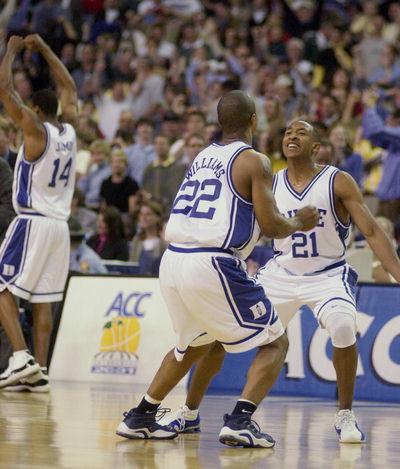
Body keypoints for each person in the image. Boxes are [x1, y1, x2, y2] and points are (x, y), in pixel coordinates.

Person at [161, 119, 400, 444]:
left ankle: (345, 413)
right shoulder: (269, 182)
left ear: (316, 147)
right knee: (215, 336)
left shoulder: (337, 180)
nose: (292, 136)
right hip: (279, 273)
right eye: (288, 132)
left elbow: (371, 231)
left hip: (328, 273)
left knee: (344, 327)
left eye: (301, 132)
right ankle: (189, 413)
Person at [116, 91, 319, 446]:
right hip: (212, 262)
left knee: (194, 345)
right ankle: (240, 421)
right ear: (254, 120)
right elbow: (272, 226)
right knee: (276, 342)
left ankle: (141, 416)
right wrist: (300, 221)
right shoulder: (255, 161)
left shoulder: (202, 155)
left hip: (173, 259)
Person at [0, 34, 78, 391]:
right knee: (43, 300)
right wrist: (45, 48)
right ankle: (40, 370)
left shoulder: (34, 129)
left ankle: (20, 357)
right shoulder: (70, 130)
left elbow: (4, 89)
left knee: (2, 287)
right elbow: (69, 86)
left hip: (32, 221)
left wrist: (12, 51)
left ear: (34, 109)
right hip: (60, 227)